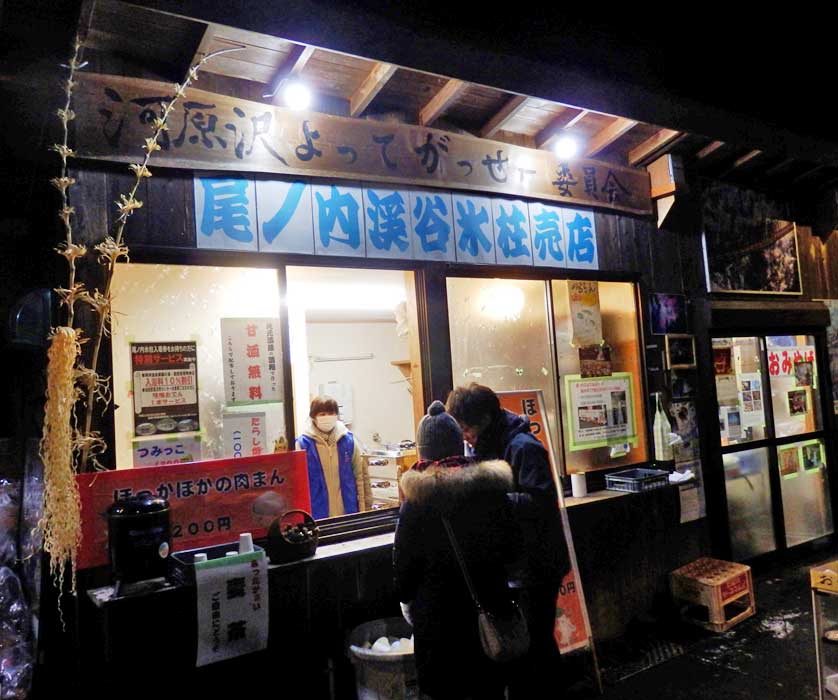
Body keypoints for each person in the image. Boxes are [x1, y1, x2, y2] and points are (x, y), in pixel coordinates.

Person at [446, 383, 570, 699]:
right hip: (512, 563)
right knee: (524, 645)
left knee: (535, 643)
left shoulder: (523, 447)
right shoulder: (485, 447)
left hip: (536, 564)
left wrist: (493, 498)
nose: (465, 436)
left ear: (485, 419)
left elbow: (541, 503)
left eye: (467, 428)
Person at [394, 401, 520, 700]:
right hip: (489, 619)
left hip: (439, 631)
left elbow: (403, 578)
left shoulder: (416, 505)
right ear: (458, 446)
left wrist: (410, 601)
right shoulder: (492, 491)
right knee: (489, 690)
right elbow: (513, 550)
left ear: (424, 452)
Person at [295, 395, 372, 519]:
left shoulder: (349, 441)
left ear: (336, 415)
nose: (327, 417)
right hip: (317, 516)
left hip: (348, 512)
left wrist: (365, 510)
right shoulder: (302, 445)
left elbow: (361, 476)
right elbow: (298, 486)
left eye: (331, 413)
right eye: (322, 413)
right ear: (313, 416)